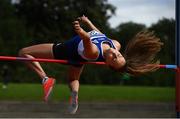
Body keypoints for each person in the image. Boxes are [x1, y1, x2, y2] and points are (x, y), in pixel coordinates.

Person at [18, 15, 163, 114]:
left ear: (106, 63)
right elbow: (100, 34)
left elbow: (88, 40)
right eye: (118, 55)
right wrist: (88, 23)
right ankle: (75, 94)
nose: (115, 54)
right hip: (79, 57)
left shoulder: (94, 53)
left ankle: (45, 79)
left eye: (113, 58)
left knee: (24, 53)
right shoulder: (115, 44)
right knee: (73, 80)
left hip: (66, 50)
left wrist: (81, 30)